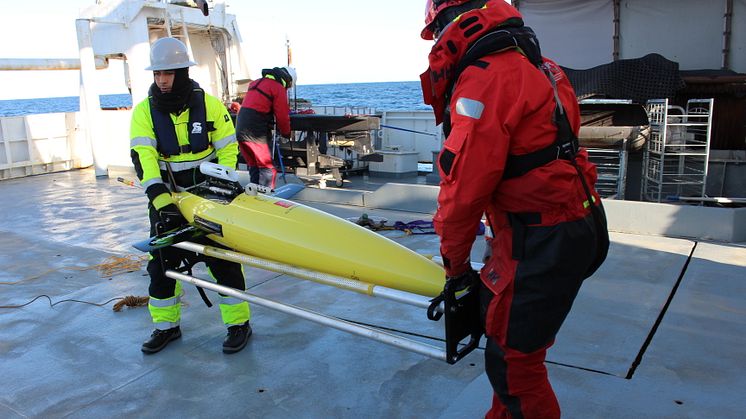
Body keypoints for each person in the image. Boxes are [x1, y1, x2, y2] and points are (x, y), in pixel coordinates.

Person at [420, 1, 609, 418]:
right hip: (577, 223)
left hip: (540, 241)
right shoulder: (542, 65)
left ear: (448, 25)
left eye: (435, 34)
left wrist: (454, 267)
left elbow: (463, 193)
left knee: (515, 367)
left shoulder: (485, 79)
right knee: (510, 349)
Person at [130, 37, 252, 355]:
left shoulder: (209, 105)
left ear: (182, 71)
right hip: (167, 197)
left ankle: (239, 324)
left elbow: (228, 149)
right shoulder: (144, 112)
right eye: (157, 74)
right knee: (160, 267)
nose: (162, 80)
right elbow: (143, 159)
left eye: (168, 73)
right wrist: (162, 203)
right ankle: (166, 327)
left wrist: (221, 189)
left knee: (223, 262)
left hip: (208, 194)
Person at [235, 66, 296, 188]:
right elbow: (282, 116)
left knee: (254, 165)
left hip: (240, 127)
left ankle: (254, 196)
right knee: (267, 168)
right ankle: (267, 200)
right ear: (287, 80)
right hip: (255, 130)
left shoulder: (255, 83)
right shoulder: (277, 88)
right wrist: (286, 133)